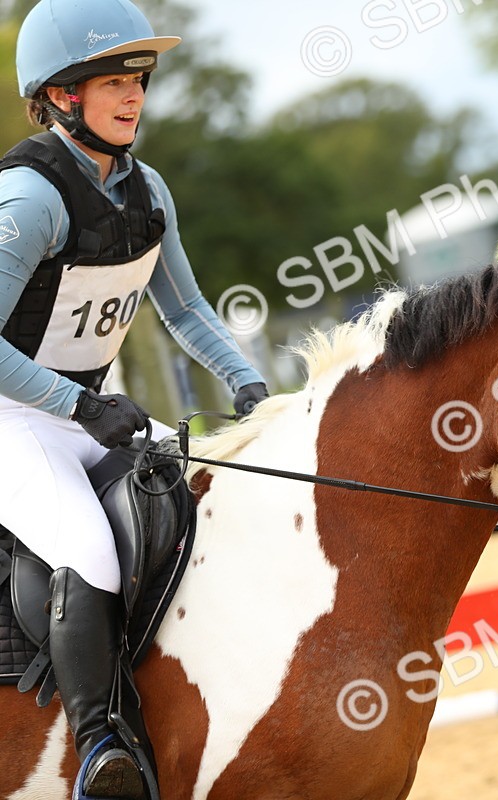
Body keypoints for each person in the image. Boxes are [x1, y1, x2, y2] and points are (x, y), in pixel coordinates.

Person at [0, 0, 269, 796]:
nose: (132, 97)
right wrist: (81, 407)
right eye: (110, 81)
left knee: (209, 499)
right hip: (16, 418)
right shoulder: (30, 199)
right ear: (59, 97)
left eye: (137, 80)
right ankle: (96, 750)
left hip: (87, 410)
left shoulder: (146, 190)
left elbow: (184, 309)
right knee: (86, 549)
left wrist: (249, 383)